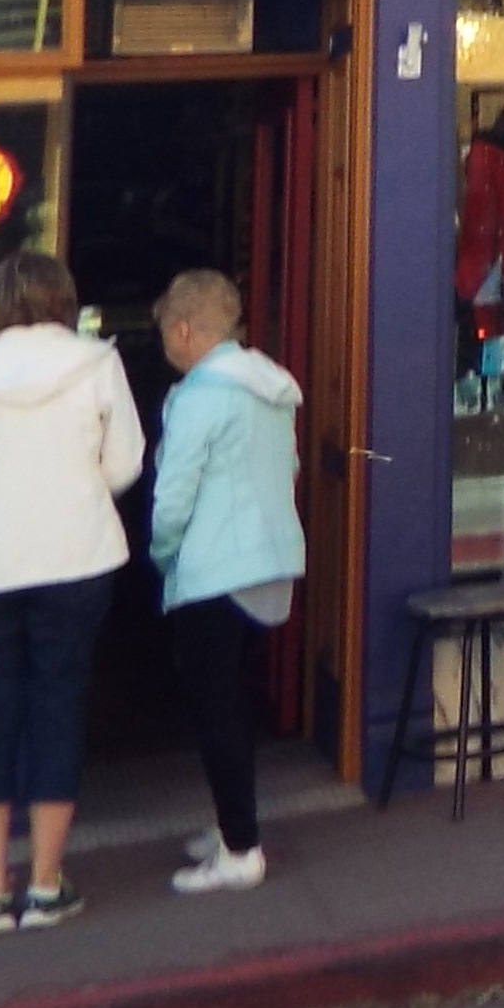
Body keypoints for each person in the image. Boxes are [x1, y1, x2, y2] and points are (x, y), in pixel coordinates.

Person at [0, 249, 144, 935]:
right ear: (62, 299)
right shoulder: (98, 364)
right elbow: (126, 464)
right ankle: (46, 883)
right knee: (58, 706)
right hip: (76, 556)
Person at [145, 269, 305, 897]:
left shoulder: (197, 398)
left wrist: (163, 554)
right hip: (270, 563)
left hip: (214, 568)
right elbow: (287, 467)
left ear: (185, 330)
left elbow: (173, 494)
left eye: (166, 333)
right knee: (236, 706)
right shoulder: (271, 389)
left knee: (216, 713)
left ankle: (239, 849)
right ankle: (231, 824)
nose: (165, 345)